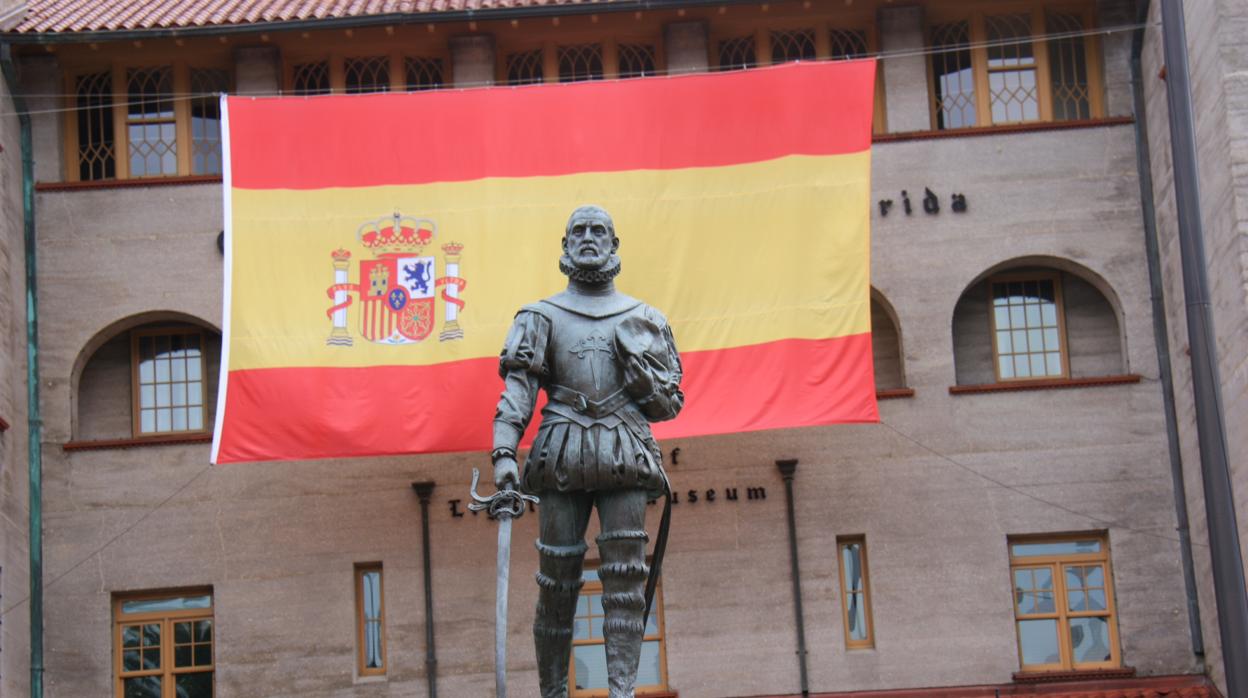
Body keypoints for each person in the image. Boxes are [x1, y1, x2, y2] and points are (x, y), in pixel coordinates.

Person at [492, 205, 683, 698]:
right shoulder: (540, 316)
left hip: (624, 447)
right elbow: (519, 390)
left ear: (615, 246)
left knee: (625, 580)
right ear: (565, 245)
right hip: (561, 452)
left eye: (599, 231)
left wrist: (645, 381)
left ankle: (621, 692)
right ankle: (553, 692)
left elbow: (669, 404)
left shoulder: (645, 320)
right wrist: (504, 454)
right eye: (579, 231)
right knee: (557, 582)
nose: (589, 238)